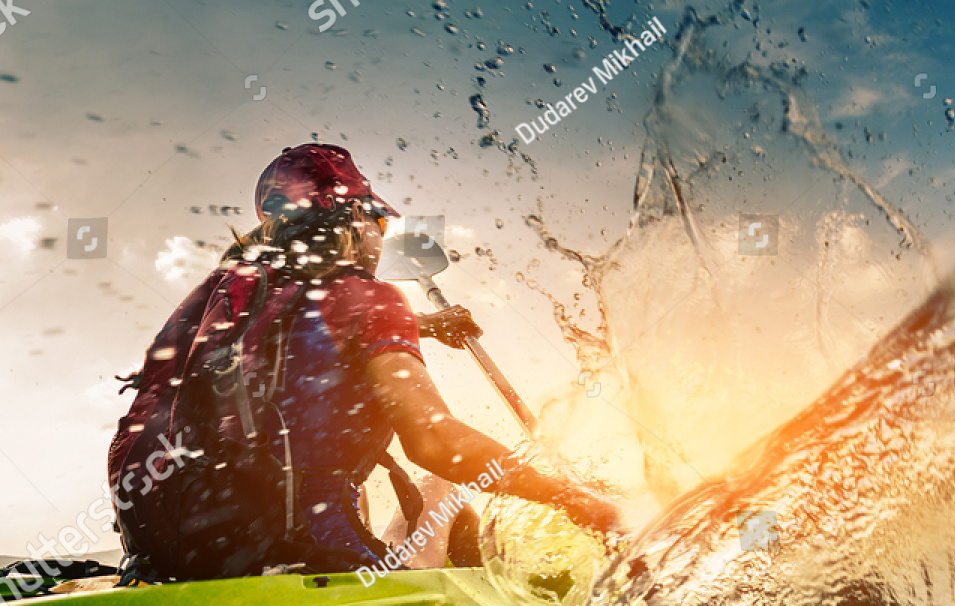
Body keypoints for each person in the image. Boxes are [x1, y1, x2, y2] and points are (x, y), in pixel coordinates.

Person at [108, 143, 622, 581]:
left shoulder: (230, 298)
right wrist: (576, 499)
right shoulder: (370, 298)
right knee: (441, 485)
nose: (381, 238)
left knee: (373, 476)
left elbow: (305, 336)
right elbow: (434, 442)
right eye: (378, 222)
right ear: (354, 218)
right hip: (311, 557)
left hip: (180, 558)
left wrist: (424, 324)